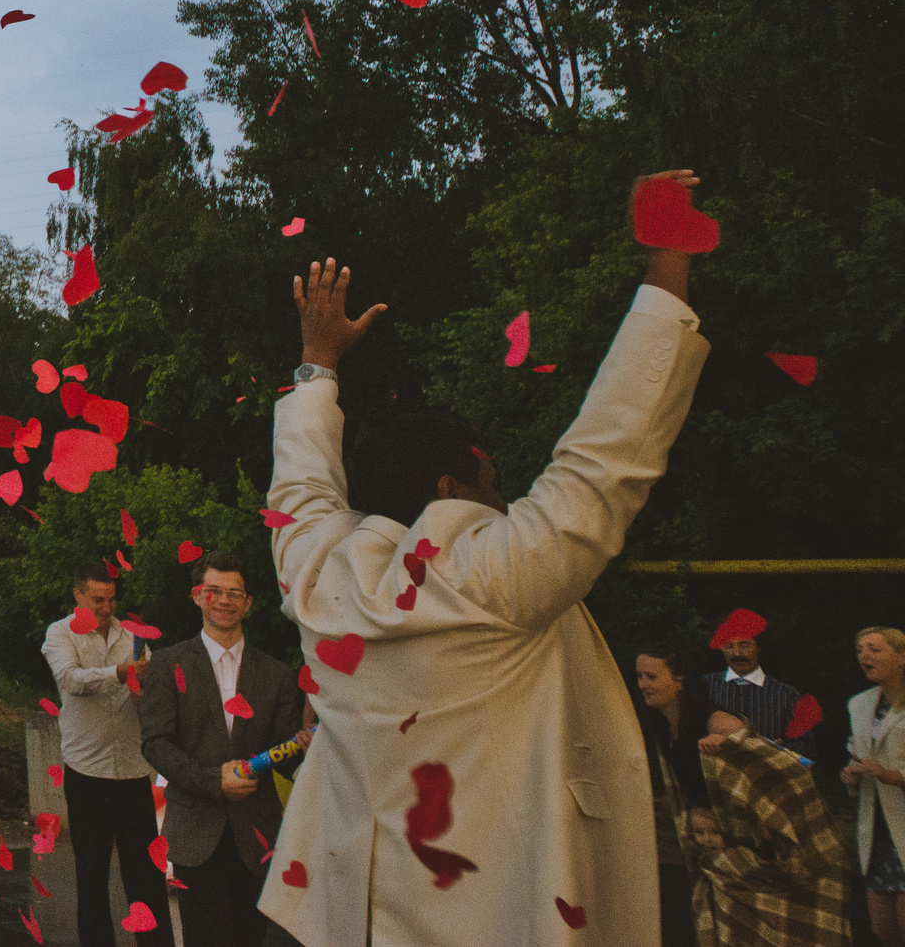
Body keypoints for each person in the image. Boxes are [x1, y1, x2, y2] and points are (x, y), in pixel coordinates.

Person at [260, 170, 714, 947]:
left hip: (341, 922)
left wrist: (316, 359)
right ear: (451, 484)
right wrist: (669, 259)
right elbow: (604, 460)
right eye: (492, 479)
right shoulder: (496, 576)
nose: (503, 497)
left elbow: (301, 480)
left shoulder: (314, 576)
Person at [138, 552, 310, 947]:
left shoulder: (278, 674)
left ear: (248, 603)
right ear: (196, 596)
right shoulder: (167, 663)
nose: (225, 600)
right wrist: (213, 781)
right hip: (195, 834)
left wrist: (303, 746)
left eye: (235, 593)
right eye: (213, 591)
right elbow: (155, 742)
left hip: (257, 836)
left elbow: (286, 759)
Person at [43, 563, 178, 947]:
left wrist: (143, 688)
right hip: (86, 770)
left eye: (112, 598)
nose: (107, 607)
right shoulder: (59, 633)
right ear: (78, 595)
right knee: (92, 875)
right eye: (98, 599)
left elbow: (146, 696)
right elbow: (70, 679)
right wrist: (119, 673)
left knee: (146, 875)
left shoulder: (132, 635)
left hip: (133, 769)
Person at [681, 706, 851, 947]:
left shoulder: (785, 771)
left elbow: (811, 836)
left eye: (731, 735)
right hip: (746, 882)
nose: (722, 741)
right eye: (715, 733)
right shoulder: (710, 790)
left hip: (803, 878)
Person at [638, 644, 720, 947]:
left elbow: (766, 770)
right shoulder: (662, 728)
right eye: (640, 676)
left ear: (680, 679)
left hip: (737, 838)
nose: (643, 684)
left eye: (652, 676)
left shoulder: (715, 722)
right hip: (704, 839)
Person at [843, 625, 905, 947]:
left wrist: (892, 775)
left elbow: (891, 770)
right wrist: (853, 774)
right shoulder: (859, 704)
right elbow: (858, 751)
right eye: (860, 650)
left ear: (902, 657)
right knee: (883, 931)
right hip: (877, 830)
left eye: (875, 650)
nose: (864, 656)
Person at [708, 625, 812, 758]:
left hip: (769, 776)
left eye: (744, 645)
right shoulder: (706, 687)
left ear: (758, 647)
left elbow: (805, 746)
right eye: (729, 646)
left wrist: (777, 749)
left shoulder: (785, 694)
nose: (737, 653)